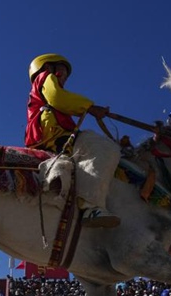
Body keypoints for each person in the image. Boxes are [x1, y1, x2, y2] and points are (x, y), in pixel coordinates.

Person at [26, 53, 120, 228]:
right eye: (62, 70)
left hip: (50, 133)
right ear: (48, 67)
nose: (64, 77)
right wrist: (90, 107)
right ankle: (90, 206)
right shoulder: (45, 77)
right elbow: (58, 98)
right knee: (102, 147)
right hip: (54, 134)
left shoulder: (42, 84)